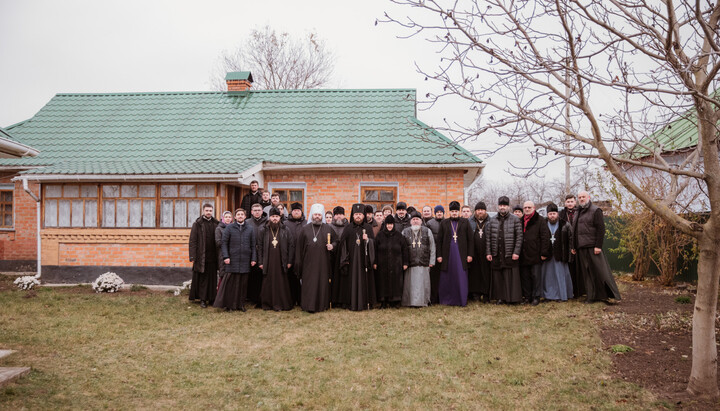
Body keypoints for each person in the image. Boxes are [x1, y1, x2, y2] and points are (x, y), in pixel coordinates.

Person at [572, 191, 621, 303]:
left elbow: (601, 229)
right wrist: (573, 246)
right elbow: (575, 230)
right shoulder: (578, 211)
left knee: (600, 272)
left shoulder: (595, 210)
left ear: (588, 197)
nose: (582, 199)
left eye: (583, 197)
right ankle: (591, 296)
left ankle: (609, 295)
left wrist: (598, 246)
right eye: (579, 197)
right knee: (586, 274)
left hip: (592, 247)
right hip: (581, 247)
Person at [295, 204, 338, 313]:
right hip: (308, 263)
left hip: (323, 263)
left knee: (322, 283)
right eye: (315, 214)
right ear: (312, 215)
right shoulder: (305, 229)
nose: (317, 216)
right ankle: (308, 305)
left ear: (322, 216)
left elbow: (337, 241)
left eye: (319, 214)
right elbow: (299, 248)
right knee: (309, 284)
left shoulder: (328, 228)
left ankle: (321, 305)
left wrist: (332, 246)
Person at [214, 208, 257, 312]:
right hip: (232, 260)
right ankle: (230, 305)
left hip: (245, 260)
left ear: (245, 217)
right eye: (238, 214)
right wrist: (226, 257)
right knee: (232, 284)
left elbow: (253, 245)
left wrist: (253, 259)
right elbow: (224, 243)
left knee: (243, 284)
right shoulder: (229, 228)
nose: (240, 216)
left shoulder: (250, 229)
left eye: (242, 214)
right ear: (235, 217)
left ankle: (241, 305)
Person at [338, 203, 376, 311]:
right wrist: (345, 259)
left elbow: (373, 244)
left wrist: (368, 240)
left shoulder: (368, 228)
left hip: (364, 261)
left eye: (360, 214)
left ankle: (365, 303)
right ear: (353, 216)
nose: (358, 216)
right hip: (352, 262)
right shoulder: (348, 228)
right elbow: (343, 244)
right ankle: (351, 303)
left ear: (364, 216)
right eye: (356, 214)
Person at [486, 196, 523, 304]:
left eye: (504, 205)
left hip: (510, 252)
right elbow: (488, 238)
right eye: (501, 205)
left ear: (508, 206)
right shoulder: (492, 220)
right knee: (498, 277)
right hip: (496, 252)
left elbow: (519, 237)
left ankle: (512, 298)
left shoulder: (515, 219)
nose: (502, 207)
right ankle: (500, 298)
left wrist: (516, 252)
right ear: (498, 206)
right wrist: (488, 252)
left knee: (510, 276)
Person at [436, 201, 473, 306]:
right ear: (449, 212)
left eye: (456, 211)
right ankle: (447, 300)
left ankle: (461, 300)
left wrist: (470, 254)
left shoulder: (465, 222)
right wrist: (439, 255)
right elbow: (439, 241)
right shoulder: (444, 223)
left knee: (460, 276)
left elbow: (470, 240)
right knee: (447, 276)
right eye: (452, 211)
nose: (454, 213)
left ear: (459, 212)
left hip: (461, 254)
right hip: (447, 254)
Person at [257, 207, 295, 311]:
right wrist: (260, 262)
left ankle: (281, 303)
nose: (275, 219)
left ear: (280, 217)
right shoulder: (263, 229)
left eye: (277, 216)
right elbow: (259, 247)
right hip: (267, 261)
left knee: (281, 282)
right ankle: (267, 304)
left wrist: (290, 261)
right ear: (269, 217)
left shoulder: (285, 229)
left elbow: (291, 246)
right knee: (267, 282)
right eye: (273, 216)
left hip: (281, 261)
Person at [519, 201, 552, 305]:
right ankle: (527, 297)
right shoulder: (520, 221)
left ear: (534, 208)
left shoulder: (540, 220)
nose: (527, 209)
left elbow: (545, 237)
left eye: (529, 207)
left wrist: (544, 253)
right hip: (523, 254)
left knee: (536, 277)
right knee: (525, 277)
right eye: (525, 208)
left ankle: (536, 297)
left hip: (535, 254)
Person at [373, 215, 408, 308]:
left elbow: (404, 250)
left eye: (391, 224)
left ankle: (395, 301)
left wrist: (405, 262)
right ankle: (383, 301)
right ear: (385, 225)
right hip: (382, 263)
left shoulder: (399, 236)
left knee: (396, 282)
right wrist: (375, 262)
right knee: (383, 282)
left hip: (396, 263)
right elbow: (375, 250)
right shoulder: (380, 236)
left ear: (394, 225)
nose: (389, 226)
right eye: (388, 224)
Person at [401, 211, 435, 307]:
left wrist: (432, 261)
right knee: (410, 285)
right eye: (413, 219)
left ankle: (424, 301)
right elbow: (402, 248)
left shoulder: (427, 231)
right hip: (410, 263)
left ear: (421, 221)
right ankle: (410, 302)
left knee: (423, 284)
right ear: (411, 221)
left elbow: (432, 247)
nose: (415, 221)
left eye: (417, 219)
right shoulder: (405, 231)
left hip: (424, 262)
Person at [541, 203, 574, 301]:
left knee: (561, 275)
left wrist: (570, 253)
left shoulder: (565, 224)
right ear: (547, 215)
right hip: (547, 255)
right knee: (547, 277)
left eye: (554, 213)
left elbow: (571, 239)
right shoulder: (543, 224)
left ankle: (561, 295)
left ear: (557, 214)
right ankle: (547, 295)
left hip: (560, 254)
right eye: (550, 214)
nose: (552, 216)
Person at [188, 204, 219, 308]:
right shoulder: (197, 224)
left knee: (212, 278)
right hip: (202, 256)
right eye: (207, 210)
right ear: (203, 211)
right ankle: (202, 299)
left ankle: (211, 298)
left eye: (210, 210)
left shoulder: (216, 223)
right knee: (203, 279)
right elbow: (193, 241)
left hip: (213, 257)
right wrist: (192, 256)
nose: (209, 212)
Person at [559, 194, 584, 298]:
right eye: (568, 202)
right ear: (565, 203)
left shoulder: (580, 212)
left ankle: (580, 291)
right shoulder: (561, 214)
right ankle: (570, 291)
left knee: (579, 267)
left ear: (575, 202)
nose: (570, 204)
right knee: (569, 268)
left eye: (571, 201)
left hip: (578, 243)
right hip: (565, 245)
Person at [468, 201, 491, 302]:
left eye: (482, 210)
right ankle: (475, 294)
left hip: (486, 252)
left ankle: (486, 294)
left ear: (485, 211)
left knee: (486, 273)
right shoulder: (470, 221)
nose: (480, 212)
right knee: (475, 273)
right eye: (478, 210)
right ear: (475, 211)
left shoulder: (491, 221)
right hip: (474, 252)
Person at [284, 202, 306, 306]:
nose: (296, 212)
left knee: (303, 279)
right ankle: (292, 300)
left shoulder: (306, 223)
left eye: (298, 210)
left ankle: (302, 299)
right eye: (294, 210)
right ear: (291, 212)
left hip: (303, 256)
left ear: (301, 212)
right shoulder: (285, 224)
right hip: (290, 256)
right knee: (291, 279)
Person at [246, 203, 267, 306]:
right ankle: (252, 297)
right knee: (252, 276)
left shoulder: (267, 222)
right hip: (251, 252)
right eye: (255, 210)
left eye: (259, 210)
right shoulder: (247, 222)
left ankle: (262, 297)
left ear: (262, 211)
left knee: (262, 276)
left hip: (264, 253)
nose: (257, 212)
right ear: (251, 212)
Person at [426, 205, 444, 304]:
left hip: (444, 253)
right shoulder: (430, 223)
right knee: (433, 277)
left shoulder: (446, 222)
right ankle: (433, 297)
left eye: (441, 212)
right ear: (435, 213)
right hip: (433, 252)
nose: (439, 213)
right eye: (438, 212)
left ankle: (442, 297)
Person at [215, 211, 233, 288]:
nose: (228, 219)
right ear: (223, 218)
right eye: (226, 217)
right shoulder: (219, 229)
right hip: (223, 254)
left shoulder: (234, 228)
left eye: (229, 217)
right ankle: (220, 295)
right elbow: (218, 242)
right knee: (223, 274)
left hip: (233, 254)